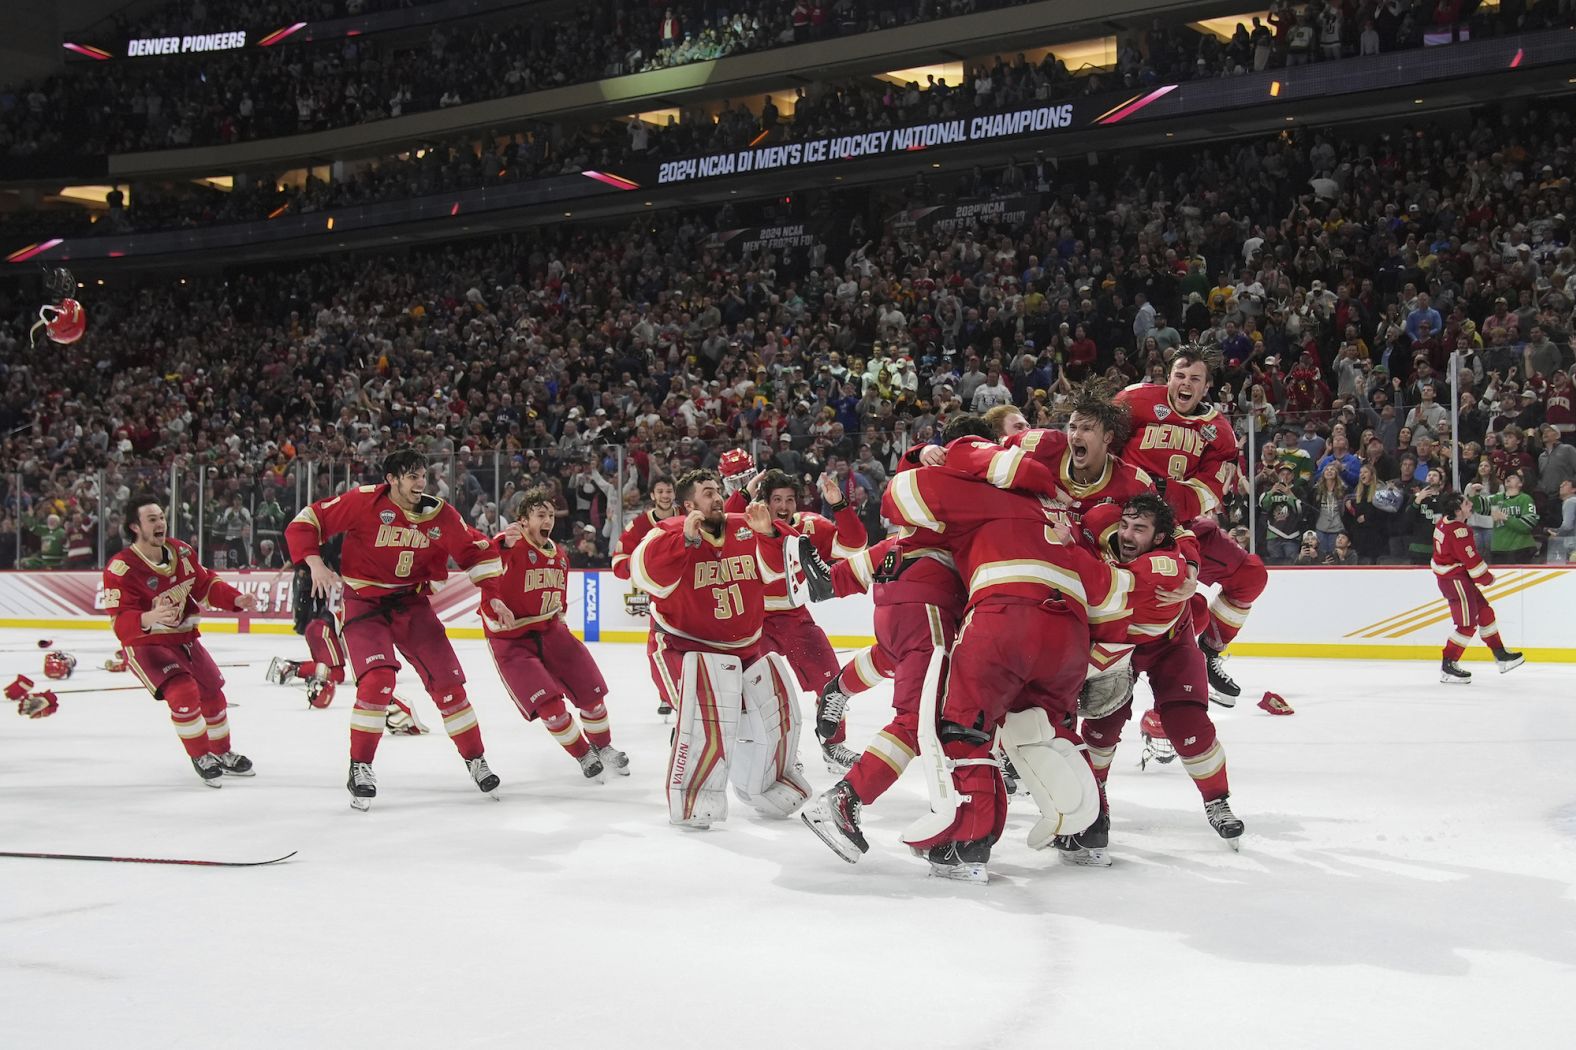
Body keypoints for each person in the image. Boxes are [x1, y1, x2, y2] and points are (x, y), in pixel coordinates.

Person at [871, 457, 1126, 883]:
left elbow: (899, 494)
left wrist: (942, 456)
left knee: (965, 726)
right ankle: (1087, 832)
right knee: (1051, 728)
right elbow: (1113, 597)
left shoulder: (986, 493)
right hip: (1072, 632)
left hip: (1005, 615)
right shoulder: (1082, 512)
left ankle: (967, 843)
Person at [285, 448, 505, 811]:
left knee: (449, 685)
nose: (421, 483)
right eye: (412, 476)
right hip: (364, 604)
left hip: (412, 604)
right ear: (391, 479)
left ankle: (476, 760)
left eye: (423, 476)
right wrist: (314, 564)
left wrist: (493, 594)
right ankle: (361, 767)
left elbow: (477, 553)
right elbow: (305, 522)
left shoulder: (440, 514)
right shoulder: (362, 502)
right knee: (377, 680)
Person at [1060, 495, 1246, 864]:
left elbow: (1102, 585)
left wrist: (1067, 547)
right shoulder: (1102, 522)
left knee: (1188, 724)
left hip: (1168, 647)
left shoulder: (1165, 566)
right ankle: (1095, 804)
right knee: (1101, 728)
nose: (1127, 535)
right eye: (1126, 525)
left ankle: (1217, 801)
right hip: (1117, 648)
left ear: (1160, 538)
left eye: (1139, 530)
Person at [628, 468, 810, 829]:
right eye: (708, 493)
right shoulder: (667, 533)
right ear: (688, 505)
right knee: (706, 720)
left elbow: (781, 569)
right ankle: (695, 796)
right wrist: (684, 538)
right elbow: (644, 573)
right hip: (684, 649)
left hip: (745, 649)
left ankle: (767, 783)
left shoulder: (746, 524)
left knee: (777, 715)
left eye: (717, 491)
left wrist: (769, 533)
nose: (717, 498)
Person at [1118, 346, 1268, 706]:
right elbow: (1100, 447)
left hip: (1180, 523)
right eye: (1179, 376)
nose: (1185, 384)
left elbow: (1209, 492)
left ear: (1206, 386)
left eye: (1194, 379)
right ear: (1168, 376)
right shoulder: (1135, 400)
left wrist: (1166, 493)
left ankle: (1210, 651)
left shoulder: (1220, 432)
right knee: (1183, 609)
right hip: (1126, 524)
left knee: (1250, 576)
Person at [102, 494, 259, 786]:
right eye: (152, 519)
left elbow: (205, 585)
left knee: (212, 692)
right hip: (146, 645)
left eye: (161, 517)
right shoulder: (120, 568)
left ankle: (222, 752)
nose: (160, 523)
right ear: (135, 527)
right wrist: (149, 618)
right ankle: (201, 755)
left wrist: (236, 598)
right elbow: (121, 623)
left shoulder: (182, 552)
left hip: (185, 639)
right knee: (184, 692)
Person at [481, 486, 628, 782]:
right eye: (540, 515)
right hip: (512, 642)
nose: (548, 520)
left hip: (551, 631)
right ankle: (583, 753)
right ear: (523, 521)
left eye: (550, 515)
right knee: (550, 707)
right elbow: (482, 562)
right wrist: (499, 543)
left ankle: (603, 746)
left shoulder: (559, 554)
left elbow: (558, 601)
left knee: (592, 695)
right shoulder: (509, 547)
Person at [732, 469, 867, 772]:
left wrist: (840, 505)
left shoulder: (811, 526)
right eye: (776, 499)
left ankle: (834, 746)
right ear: (764, 501)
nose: (783, 505)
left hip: (795, 616)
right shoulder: (747, 525)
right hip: (755, 621)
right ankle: (778, 753)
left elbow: (853, 545)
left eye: (789, 499)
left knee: (831, 681)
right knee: (758, 689)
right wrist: (742, 494)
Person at [1431, 491, 1525, 683]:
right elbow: (1471, 560)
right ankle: (1448, 665)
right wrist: (1487, 578)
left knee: (1484, 612)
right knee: (1467, 625)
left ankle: (1500, 654)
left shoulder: (1443, 522)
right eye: (1466, 503)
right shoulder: (1460, 531)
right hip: (1455, 580)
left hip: (1455, 577)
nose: (1470, 505)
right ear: (1457, 510)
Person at [610, 476, 680, 715]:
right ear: (652, 496)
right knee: (662, 650)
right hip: (661, 599)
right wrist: (640, 565)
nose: (665, 495)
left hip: (692, 590)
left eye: (669, 491)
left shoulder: (688, 515)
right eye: (660, 491)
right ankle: (667, 695)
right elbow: (619, 559)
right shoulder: (640, 525)